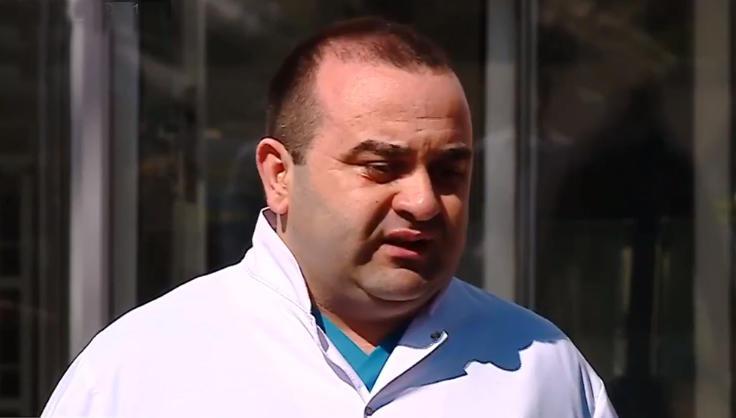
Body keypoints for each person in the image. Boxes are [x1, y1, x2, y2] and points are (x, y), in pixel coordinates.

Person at [42, 17, 617, 417]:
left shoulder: (544, 371)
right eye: (381, 167)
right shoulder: (141, 371)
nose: (422, 202)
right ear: (279, 175)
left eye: (449, 171)